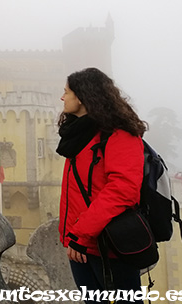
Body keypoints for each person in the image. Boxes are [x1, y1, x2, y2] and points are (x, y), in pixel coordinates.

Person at [56, 67, 146, 302]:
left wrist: (81, 233)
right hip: (80, 246)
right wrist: (74, 236)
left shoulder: (119, 134)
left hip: (111, 244)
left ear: (83, 97)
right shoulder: (77, 136)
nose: (62, 97)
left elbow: (123, 190)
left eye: (66, 92)